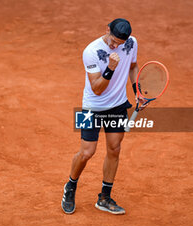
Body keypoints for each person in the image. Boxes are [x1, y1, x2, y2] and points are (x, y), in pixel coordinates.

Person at [61, 18, 147, 215]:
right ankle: (70, 186)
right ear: (107, 29)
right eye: (113, 40)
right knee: (86, 152)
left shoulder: (132, 43)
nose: (115, 45)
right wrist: (110, 68)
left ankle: (104, 197)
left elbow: (134, 66)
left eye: (120, 43)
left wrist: (138, 91)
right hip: (91, 107)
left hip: (117, 105)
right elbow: (97, 89)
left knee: (114, 149)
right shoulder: (90, 51)